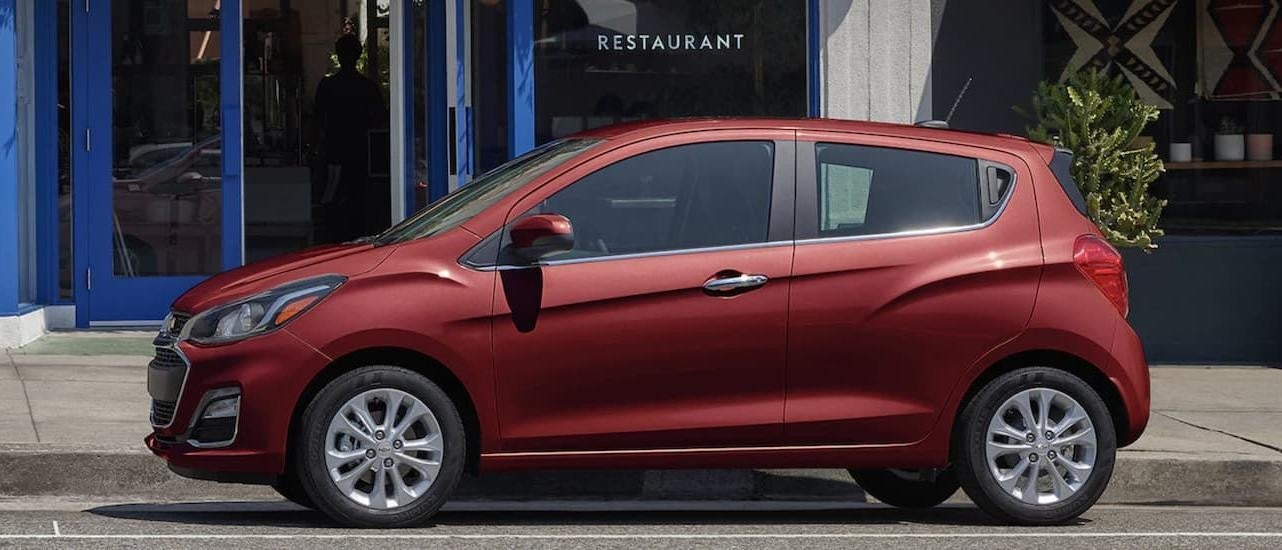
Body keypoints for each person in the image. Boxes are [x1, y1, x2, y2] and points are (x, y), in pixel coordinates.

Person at [313, 34, 386, 243]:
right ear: (358, 55)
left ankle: (335, 239)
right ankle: (353, 238)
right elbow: (381, 119)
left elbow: (317, 120)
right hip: (357, 153)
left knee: (333, 201)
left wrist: (315, 149)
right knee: (355, 201)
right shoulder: (366, 87)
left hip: (338, 152)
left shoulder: (329, 86)